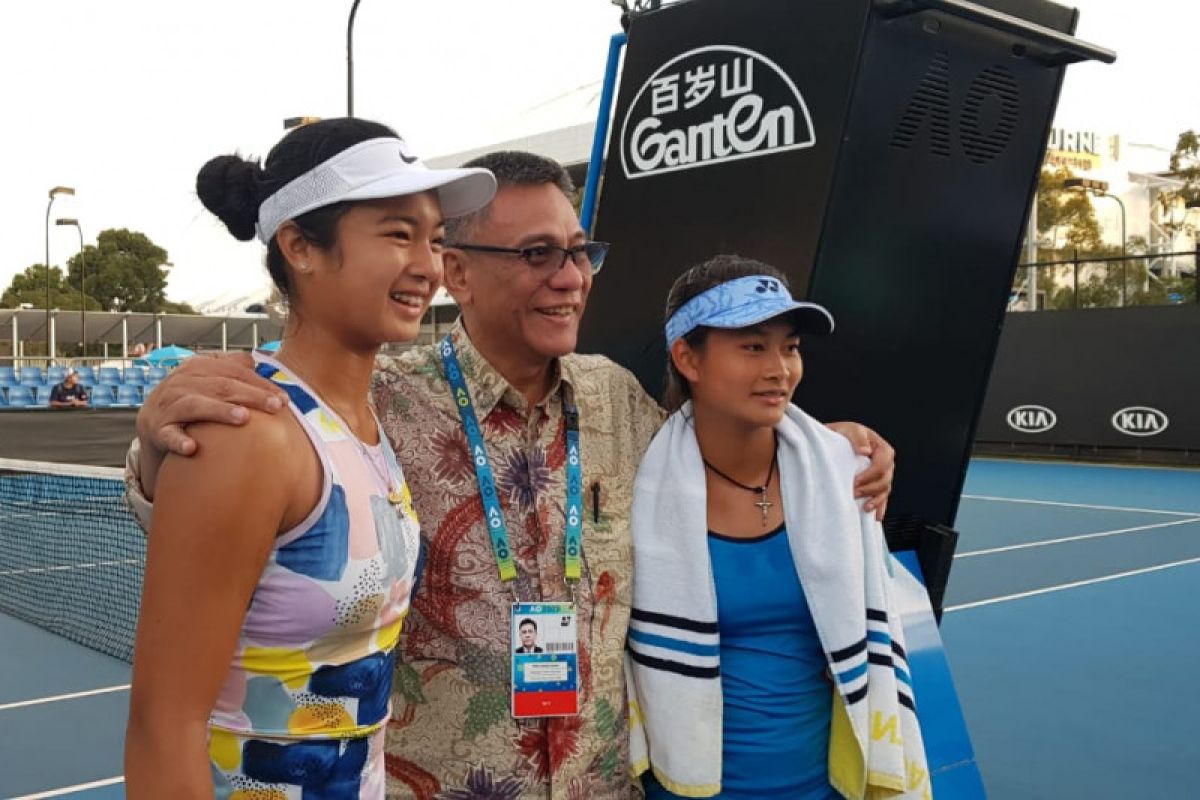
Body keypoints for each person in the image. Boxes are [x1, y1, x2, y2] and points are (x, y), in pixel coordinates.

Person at [123, 151, 895, 799]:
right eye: (536, 255)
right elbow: (233, 511)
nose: (569, 277)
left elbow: (727, 460)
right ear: (455, 271)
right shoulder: (378, 401)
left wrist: (827, 446)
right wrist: (157, 449)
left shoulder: (617, 401)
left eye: (578, 251)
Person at [122, 117, 496, 799]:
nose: (428, 265)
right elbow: (163, 725)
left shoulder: (369, 417)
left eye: (436, 240)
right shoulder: (249, 432)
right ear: (300, 246)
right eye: (397, 233)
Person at [626, 256, 929, 800]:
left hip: (825, 788)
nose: (780, 368)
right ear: (687, 358)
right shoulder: (635, 482)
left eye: (790, 347)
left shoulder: (841, 476)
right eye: (753, 346)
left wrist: (850, 442)